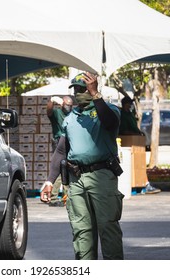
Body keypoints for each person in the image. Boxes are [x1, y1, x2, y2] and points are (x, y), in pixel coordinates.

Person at [42, 72, 124, 260]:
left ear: (93, 89)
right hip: (76, 179)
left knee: (108, 228)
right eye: (76, 89)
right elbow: (61, 151)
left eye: (83, 89)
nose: (79, 93)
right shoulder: (71, 118)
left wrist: (96, 95)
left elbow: (110, 123)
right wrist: (49, 181)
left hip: (101, 176)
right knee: (81, 231)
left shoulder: (108, 110)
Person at [119, 96, 161, 194]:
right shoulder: (122, 115)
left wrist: (139, 133)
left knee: (140, 164)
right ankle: (143, 184)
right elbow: (124, 130)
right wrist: (134, 134)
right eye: (129, 103)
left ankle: (144, 183)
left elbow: (134, 127)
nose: (131, 105)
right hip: (128, 141)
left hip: (136, 140)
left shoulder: (130, 114)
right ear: (125, 104)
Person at [40, 95, 73, 207]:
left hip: (69, 143)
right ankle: (53, 197)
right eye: (67, 105)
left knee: (68, 169)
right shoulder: (57, 113)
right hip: (59, 142)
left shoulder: (72, 114)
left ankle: (66, 196)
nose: (69, 107)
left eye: (70, 105)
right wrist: (52, 101)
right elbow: (49, 111)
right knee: (59, 168)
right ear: (62, 104)